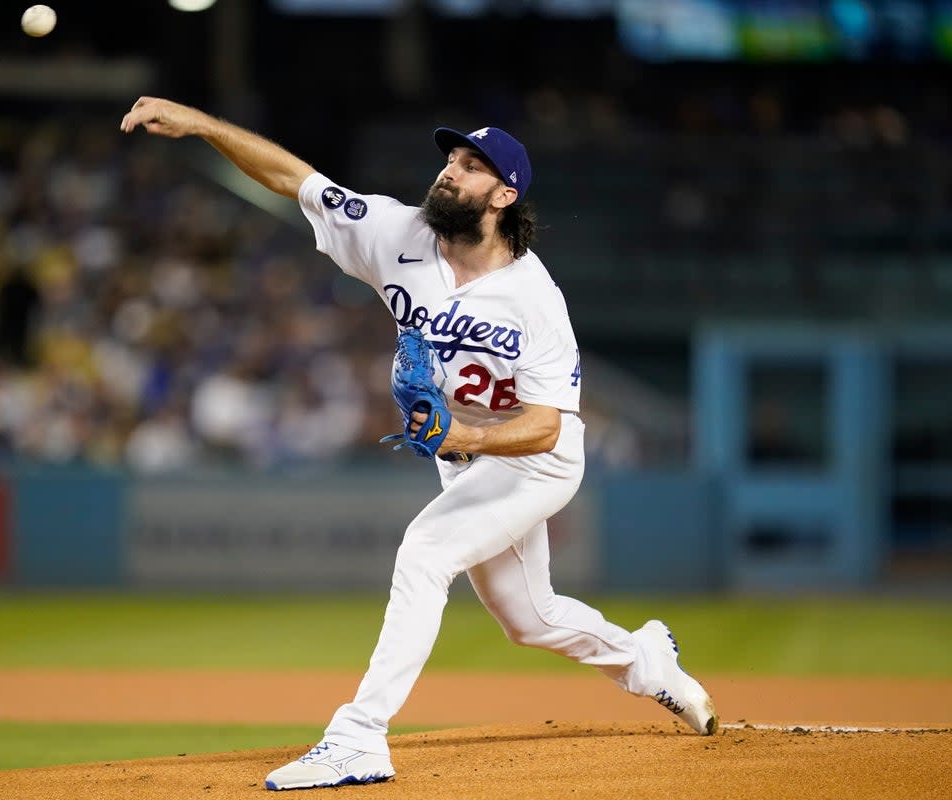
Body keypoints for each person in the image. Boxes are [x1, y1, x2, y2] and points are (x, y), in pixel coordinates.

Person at [120, 97, 719, 791]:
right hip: (466, 460)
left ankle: (359, 737)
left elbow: (549, 424)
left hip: (536, 461)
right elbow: (296, 180)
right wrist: (202, 125)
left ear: (504, 194)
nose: (449, 172)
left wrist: (459, 433)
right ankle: (646, 659)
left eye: (470, 166)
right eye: (449, 160)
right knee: (530, 618)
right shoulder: (394, 232)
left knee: (426, 552)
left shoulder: (535, 299)